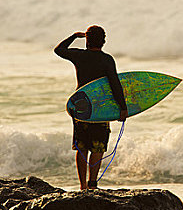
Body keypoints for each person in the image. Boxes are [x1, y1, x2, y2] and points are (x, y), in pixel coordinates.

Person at [54, 25, 128, 190]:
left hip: (81, 107)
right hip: (101, 109)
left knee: (81, 146)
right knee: (98, 144)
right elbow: (115, 85)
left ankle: (82, 186)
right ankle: (92, 183)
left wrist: (74, 36)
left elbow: (59, 50)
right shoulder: (107, 60)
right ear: (103, 41)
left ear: (87, 40)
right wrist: (122, 107)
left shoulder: (79, 56)